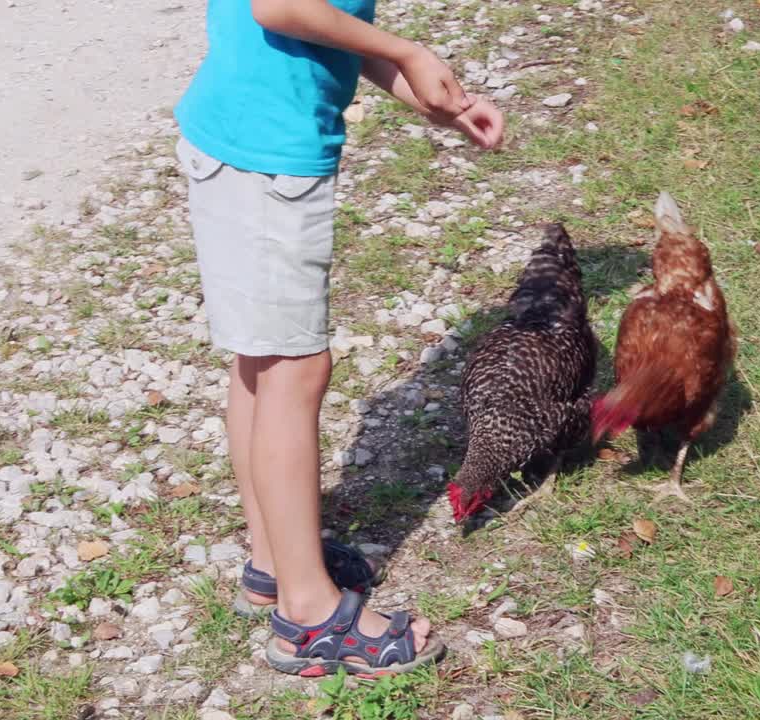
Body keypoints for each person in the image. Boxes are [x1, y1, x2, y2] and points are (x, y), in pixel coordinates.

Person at [173, 0, 504, 677]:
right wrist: (410, 50)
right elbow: (283, 7)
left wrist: (436, 96)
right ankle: (309, 616)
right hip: (267, 156)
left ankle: (273, 565)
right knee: (294, 369)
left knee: (263, 361)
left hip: (243, 139)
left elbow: (330, 22)